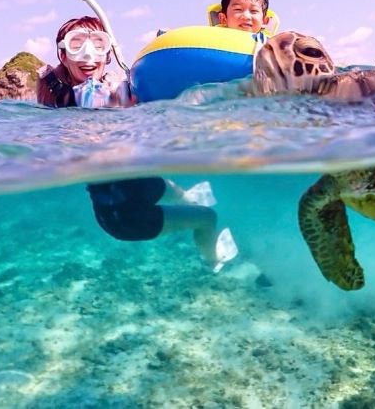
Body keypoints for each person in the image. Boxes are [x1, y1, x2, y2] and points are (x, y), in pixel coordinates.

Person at [37, 16, 238, 273]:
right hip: (124, 218)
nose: (88, 54)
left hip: (142, 183)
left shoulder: (116, 90)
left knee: (162, 185)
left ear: (108, 51)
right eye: (77, 45)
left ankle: (187, 198)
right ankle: (214, 260)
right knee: (208, 218)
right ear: (64, 56)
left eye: (98, 43)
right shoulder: (81, 103)